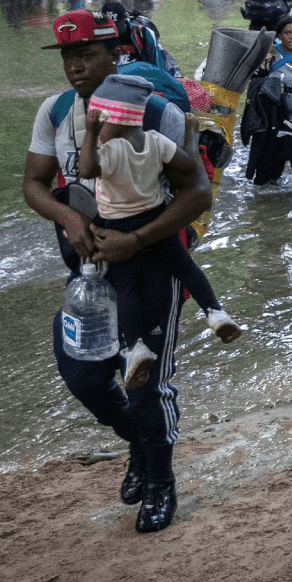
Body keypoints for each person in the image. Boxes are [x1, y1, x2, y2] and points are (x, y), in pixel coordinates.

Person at [22, 10, 212, 533]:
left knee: (146, 383)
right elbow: (35, 183)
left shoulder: (154, 114)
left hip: (152, 265)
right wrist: (65, 217)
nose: (76, 67)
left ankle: (160, 484)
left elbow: (198, 191)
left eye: (86, 55)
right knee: (81, 372)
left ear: (115, 54)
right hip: (88, 271)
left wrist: (136, 239)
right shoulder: (56, 111)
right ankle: (141, 447)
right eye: (68, 57)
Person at [75, 74, 241, 368]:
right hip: (156, 219)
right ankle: (215, 313)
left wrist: (90, 132)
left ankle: (135, 347)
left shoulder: (112, 150)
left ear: (116, 118)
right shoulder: (155, 142)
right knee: (185, 267)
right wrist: (191, 133)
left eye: (101, 119)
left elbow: (87, 169)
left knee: (127, 289)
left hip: (119, 226)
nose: (99, 127)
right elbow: (189, 164)